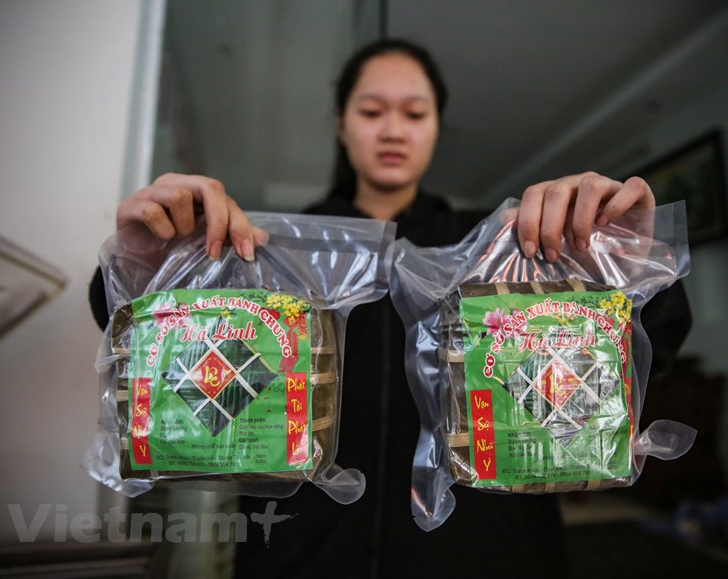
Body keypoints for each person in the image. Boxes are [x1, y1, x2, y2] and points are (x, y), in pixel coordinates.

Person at [91, 39, 690, 576]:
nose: (393, 130)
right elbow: (151, 336)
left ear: (436, 126)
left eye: (414, 113)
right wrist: (138, 265)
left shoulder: (508, 247)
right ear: (341, 124)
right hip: (304, 554)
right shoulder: (271, 249)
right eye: (372, 111)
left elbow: (645, 347)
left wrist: (630, 264)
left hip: (486, 553)